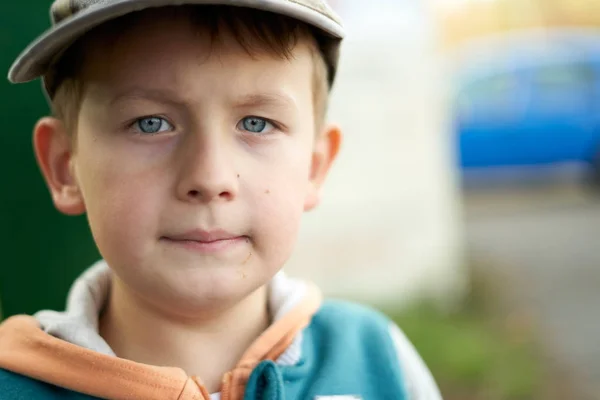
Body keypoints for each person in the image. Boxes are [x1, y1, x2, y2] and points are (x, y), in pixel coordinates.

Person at [0, 1, 442, 399]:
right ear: (64, 167)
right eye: (150, 123)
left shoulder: (378, 363)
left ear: (314, 167)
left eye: (256, 122)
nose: (209, 178)